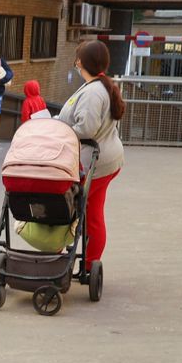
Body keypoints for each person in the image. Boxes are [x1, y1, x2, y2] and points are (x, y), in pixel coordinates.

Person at [58, 41, 125, 266]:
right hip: (106, 160)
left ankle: (56, 257)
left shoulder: (93, 92)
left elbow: (86, 129)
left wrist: (60, 129)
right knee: (94, 213)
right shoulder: (99, 86)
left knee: (67, 210)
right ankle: (90, 263)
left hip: (94, 163)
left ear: (81, 62)